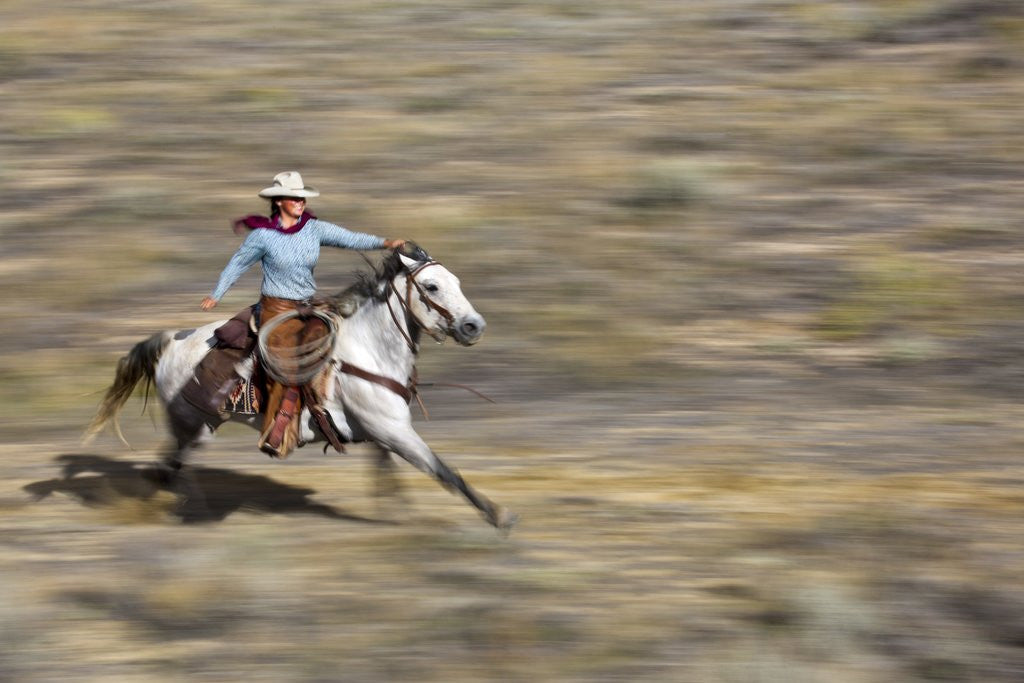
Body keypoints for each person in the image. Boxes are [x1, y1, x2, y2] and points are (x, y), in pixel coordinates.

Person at [202, 171, 405, 457]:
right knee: (288, 357)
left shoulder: (313, 228)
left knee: (346, 335)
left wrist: (385, 242)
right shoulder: (263, 236)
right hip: (275, 309)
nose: (301, 202)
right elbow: (237, 265)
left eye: (302, 197)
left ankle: (348, 404)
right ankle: (280, 423)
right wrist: (216, 294)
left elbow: (349, 238)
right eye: (295, 198)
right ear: (279, 202)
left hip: (308, 306)